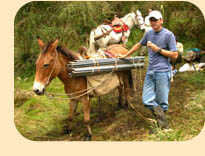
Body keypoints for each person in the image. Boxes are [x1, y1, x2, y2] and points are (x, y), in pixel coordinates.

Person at [118, 10, 178, 130]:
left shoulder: (168, 35)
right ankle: (163, 125)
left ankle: (161, 126)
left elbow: (175, 55)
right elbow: (138, 45)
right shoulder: (149, 34)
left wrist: (158, 49)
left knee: (162, 101)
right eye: (151, 20)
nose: (153, 22)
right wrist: (126, 55)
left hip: (162, 71)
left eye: (155, 20)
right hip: (150, 72)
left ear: (161, 21)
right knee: (147, 100)